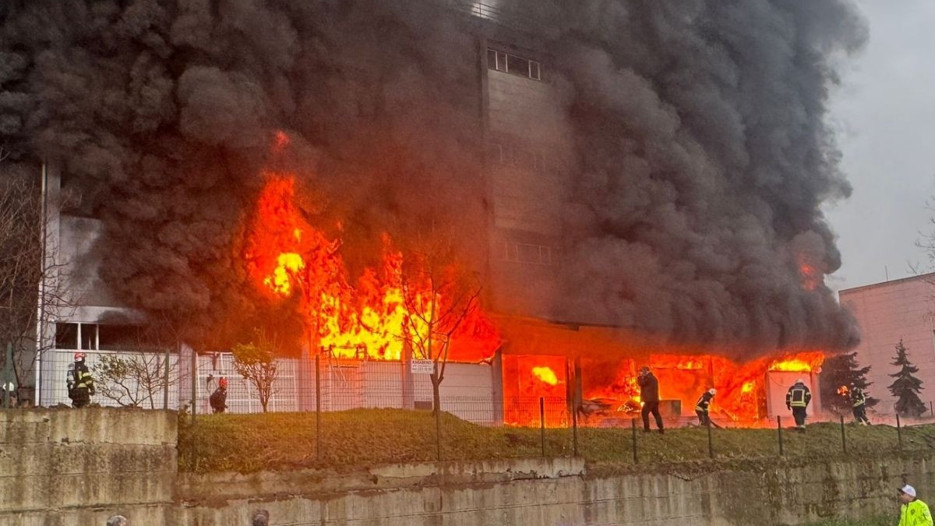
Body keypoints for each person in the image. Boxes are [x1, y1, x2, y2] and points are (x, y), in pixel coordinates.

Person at [638, 366, 664, 434]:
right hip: (654, 400)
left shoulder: (648, 378)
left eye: (641, 371)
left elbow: (641, 383)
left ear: (645, 371)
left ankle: (647, 429)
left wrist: (640, 377)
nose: (640, 373)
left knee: (644, 413)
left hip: (649, 401)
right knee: (656, 414)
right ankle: (661, 429)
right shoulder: (653, 378)